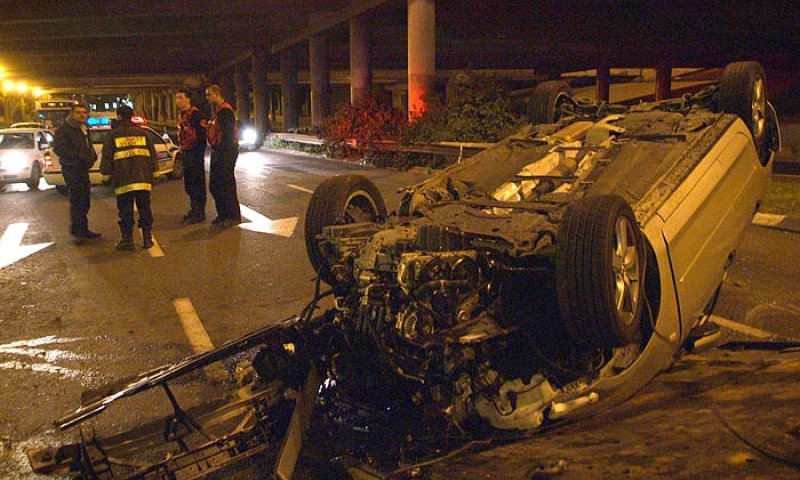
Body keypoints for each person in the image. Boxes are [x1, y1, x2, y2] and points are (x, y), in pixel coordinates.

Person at [100, 105, 159, 250]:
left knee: (125, 210)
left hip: (123, 180)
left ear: (119, 116)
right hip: (143, 178)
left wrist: (105, 174)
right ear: (132, 115)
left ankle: (127, 240)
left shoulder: (112, 135)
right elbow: (152, 153)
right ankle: (147, 238)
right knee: (145, 208)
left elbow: (107, 156)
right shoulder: (143, 133)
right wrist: (155, 171)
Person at [53, 103, 101, 242]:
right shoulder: (64, 130)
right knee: (77, 200)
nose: (82, 115)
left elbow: (87, 146)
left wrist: (91, 156)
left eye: (84, 112)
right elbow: (60, 149)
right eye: (78, 112)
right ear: (72, 114)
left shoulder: (84, 128)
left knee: (84, 200)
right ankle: (78, 231)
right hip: (72, 168)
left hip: (83, 168)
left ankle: (83, 229)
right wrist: (80, 158)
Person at [205, 85, 241, 227]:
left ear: (216, 94)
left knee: (226, 184)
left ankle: (232, 216)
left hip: (226, 152)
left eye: (209, 95)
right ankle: (222, 214)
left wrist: (223, 152)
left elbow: (228, 134)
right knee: (215, 185)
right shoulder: (217, 111)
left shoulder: (225, 111)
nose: (207, 98)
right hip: (218, 151)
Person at [175, 89, 208, 224]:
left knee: (197, 183)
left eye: (181, 98)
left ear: (188, 99)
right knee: (189, 183)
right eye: (177, 98)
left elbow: (201, 136)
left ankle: (199, 212)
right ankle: (194, 209)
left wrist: (197, 152)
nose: (178, 101)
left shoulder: (195, 114)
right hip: (186, 151)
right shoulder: (181, 115)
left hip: (194, 152)